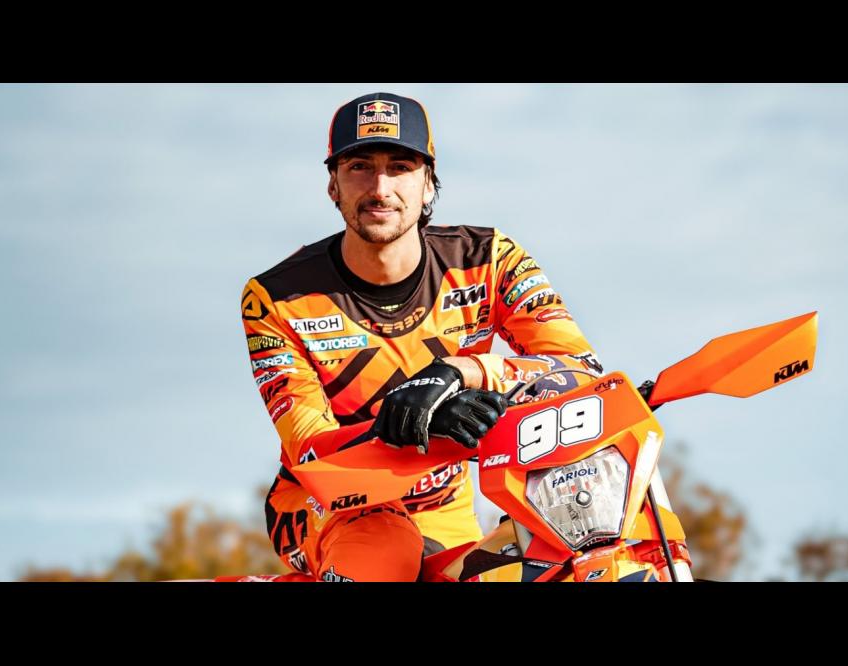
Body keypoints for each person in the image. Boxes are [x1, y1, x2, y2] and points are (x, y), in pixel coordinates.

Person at [242, 91, 605, 582]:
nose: (380, 188)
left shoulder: (491, 259)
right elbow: (311, 449)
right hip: (323, 504)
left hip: (442, 507)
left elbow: (583, 373)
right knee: (384, 545)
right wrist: (419, 429)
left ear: (429, 183)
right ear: (332, 185)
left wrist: (464, 371)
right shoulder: (274, 297)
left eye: (400, 167)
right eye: (359, 167)